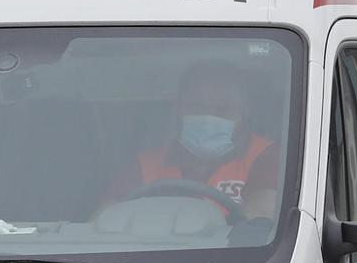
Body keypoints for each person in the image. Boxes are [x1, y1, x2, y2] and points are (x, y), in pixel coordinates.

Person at [104, 60, 280, 220]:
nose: (209, 117)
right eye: (197, 107)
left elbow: (261, 217)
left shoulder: (266, 157)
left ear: (244, 112)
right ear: (179, 110)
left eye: (223, 109)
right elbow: (102, 220)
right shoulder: (145, 165)